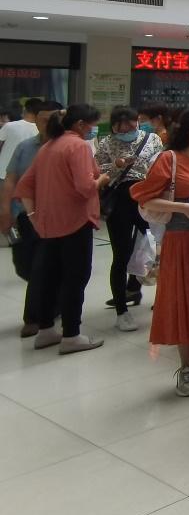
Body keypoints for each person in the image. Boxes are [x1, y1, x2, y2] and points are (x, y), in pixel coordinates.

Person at [131, 108, 189, 394]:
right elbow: (144, 198)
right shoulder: (169, 159)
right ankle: (185, 367)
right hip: (182, 240)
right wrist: (182, 207)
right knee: (185, 299)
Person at [15, 103, 104, 355]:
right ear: (80, 124)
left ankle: (45, 330)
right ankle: (71, 334)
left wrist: (33, 216)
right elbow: (85, 187)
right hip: (75, 221)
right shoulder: (78, 146)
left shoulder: (48, 147)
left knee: (49, 277)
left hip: (48, 222)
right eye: (92, 124)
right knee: (75, 277)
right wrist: (102, 179)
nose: (93, 129)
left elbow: (24, 185)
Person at [95, 105, 164, 330]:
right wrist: (116, 165)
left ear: (137, 121)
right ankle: (121, 310)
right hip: (120, 200)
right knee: (121, 254)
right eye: (120, 125)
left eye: (130, 123)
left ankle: (148, 294)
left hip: (148, 199)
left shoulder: (152, 139)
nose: (125, 129)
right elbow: (97, 170)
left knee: (155, 250)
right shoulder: (106, 143)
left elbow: (161, 165)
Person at [1, 101, 58, 337]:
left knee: (40, 266)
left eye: (52, 119)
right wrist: (5, 210)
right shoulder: (25, 147)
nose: (47, 124)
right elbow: (10, 179)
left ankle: (34, 318)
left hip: (54, 217)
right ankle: (51, 300)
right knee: (23, 264)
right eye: (42, 119)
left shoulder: (67, 146)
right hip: (24, 215)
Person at [0, 97, 39, 176]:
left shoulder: (9, 126)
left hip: (4, 172)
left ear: (24, 109)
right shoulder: (41, 130)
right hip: (29, 175)